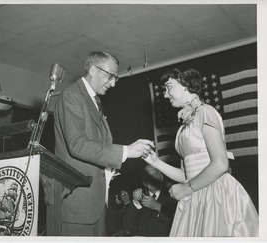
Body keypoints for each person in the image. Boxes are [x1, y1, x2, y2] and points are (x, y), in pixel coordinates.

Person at [143, 66, 259, 237]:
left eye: (169, 87)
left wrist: (186, 189)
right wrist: (155, 162)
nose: (166, 94)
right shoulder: (184, 126)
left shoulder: (206, 112)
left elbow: (220, 163)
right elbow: (186, 175)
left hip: (216, 193)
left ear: (186, 85)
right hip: (196, 193)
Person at [53, 51, 154, 236]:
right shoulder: (71, 95)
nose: (114, 83)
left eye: (116, 78)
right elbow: (77, 144)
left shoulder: (94, 100)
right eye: (111, 76)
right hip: (78, 204)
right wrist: (125, 151)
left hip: (95, 203)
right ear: (93, 70)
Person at [128, 164, 177, 236]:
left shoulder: (173, 197)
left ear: (161, 177)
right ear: (144, 182)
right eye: (148, 176)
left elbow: (178, 224)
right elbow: (127, 225)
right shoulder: (140, 198)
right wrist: (135, 202)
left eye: (155, 174)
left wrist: (158, 207)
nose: (151, 179)